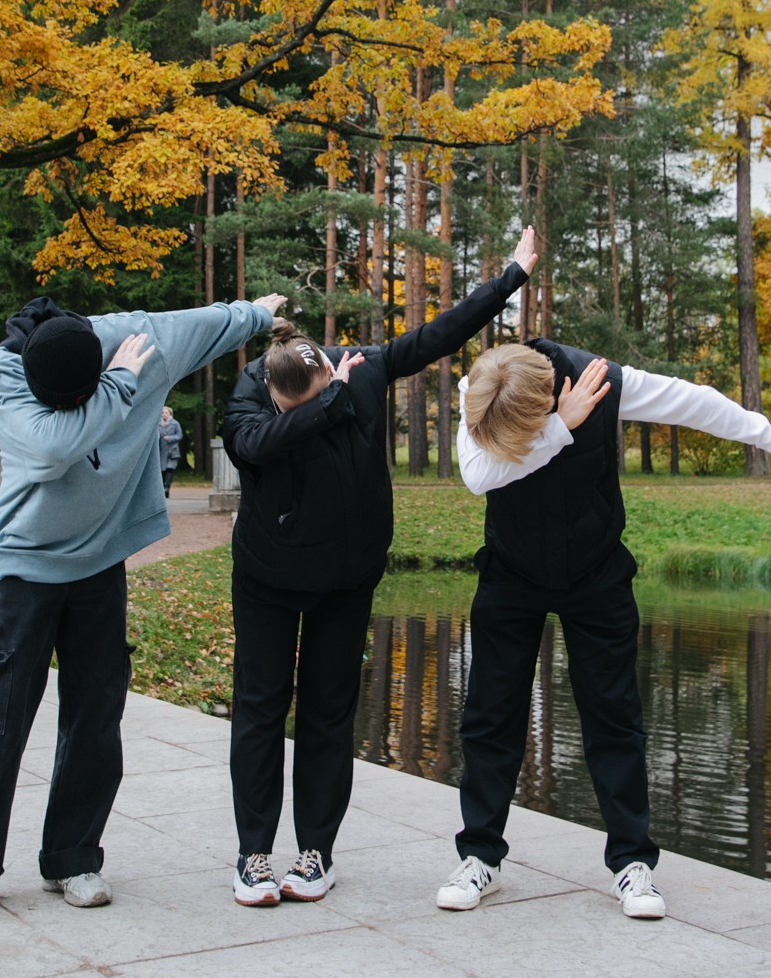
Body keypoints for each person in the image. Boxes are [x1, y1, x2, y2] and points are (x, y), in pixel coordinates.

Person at [436, 337, 771, 918]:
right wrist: (560, 430)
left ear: (547, 396)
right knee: (490, 716)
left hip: (595, 573)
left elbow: (694, 402)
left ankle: (633, 864)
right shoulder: (484, 392)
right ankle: (480, 859)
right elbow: (477, 476)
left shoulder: (607, 381)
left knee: (614, 717)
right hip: (512, 574)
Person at [0, 288, 284, 922]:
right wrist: (118, 388)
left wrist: (258, 312)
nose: (69, 408)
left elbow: (205, 323)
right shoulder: (5, 368)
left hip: (100, 566)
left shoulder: (141, 339)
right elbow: (48, 448)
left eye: (81, 395)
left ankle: (73, 857)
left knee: (95, 719)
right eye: (59, 401)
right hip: (25, 568)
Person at [221, 229, 538, 907]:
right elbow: (259, 444)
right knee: (259, 709)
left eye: (319, 396)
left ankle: (315, 854)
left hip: (345, 576)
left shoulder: (358, 368)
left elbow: (437, 336)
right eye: (295, 406)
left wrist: (509, 276)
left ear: (324, 370)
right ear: (274, 390)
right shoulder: (252, 397)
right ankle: (253, 854)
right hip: (267, 578)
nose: (304, 410)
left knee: (329, 714)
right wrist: (330, 402)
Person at [159, 405, 183, 496]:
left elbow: (179, 435)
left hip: (172, 451)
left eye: (166, 412)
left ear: (170, 414)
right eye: (162, 413)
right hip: (161, 450)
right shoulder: (158, 424)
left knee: (170, 469)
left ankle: (167, 487)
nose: (164, 414)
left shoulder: (175, 423)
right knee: (162, 471)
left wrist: (169, 438)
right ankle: (162, 488)